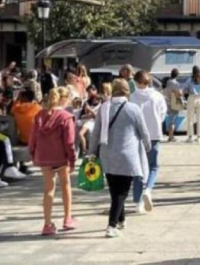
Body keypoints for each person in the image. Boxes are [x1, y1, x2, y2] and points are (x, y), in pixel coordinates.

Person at [88, 79, 151, 238]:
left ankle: (121, 219)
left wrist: (91, 153)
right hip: (127, 156)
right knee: (121, 193)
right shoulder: (133, 109)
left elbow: (95, 133)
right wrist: (148, 147)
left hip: (107, 155)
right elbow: (144, 132)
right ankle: (111, 225)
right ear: (127, 91)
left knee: (114, 191)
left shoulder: (104, 108)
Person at [29, 87, 77, 236]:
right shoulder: (66, 117)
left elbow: (33, 138)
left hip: (44, 156)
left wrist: (33, 154)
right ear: (64, 99)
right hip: (61, 156)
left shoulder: (39, 116)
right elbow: (69, 142)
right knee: (65, 185)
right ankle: (67, 218)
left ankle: (47, 224)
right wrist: (72, 159)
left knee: (48, 189)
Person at [129, 70, 167, 214]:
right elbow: (163, 114)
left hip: (137, 136)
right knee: (153, 166)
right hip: (154, 134)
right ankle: (148, 189)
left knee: (138, 169)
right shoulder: (157, 96)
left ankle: (138, 202)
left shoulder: (132, 97)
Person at [185, 68, 200, 143]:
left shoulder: (189, 80)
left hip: (192, 98)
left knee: (190, 118)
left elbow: (185, 90)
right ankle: (199, 137)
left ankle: (190, 137)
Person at [161, 69, 184, 139]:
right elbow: (178, 94)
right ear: (177, 75)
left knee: (165, 119)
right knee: (172, 120)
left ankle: (167, 134)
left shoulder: (166, 81)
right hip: (173, 102)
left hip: (166, 101)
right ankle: (171, 136)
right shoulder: (175, 83)